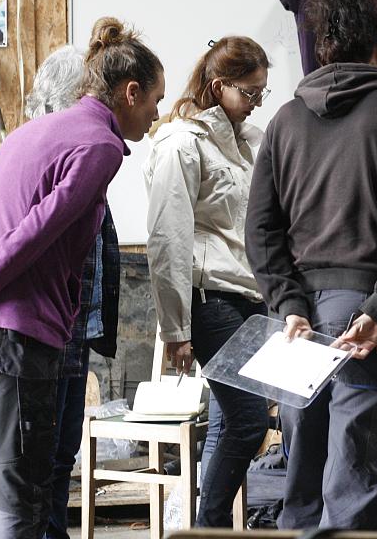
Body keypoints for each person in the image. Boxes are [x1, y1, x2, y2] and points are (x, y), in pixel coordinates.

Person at [0, 17, 163, 539]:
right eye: (154, 100)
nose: (156, 115)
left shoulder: (31, 131)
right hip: (14, 337)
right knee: (23, 497)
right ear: (129, 94)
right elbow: (35, 232)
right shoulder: (101, 147)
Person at [246, 0, 377, 530]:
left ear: (323, 49)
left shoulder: (284, 121)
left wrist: (288, 303)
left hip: (296, 327)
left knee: (301, 484)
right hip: (364, 318)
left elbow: (261, 228)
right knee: (351, 491)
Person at [144, 35, 271, 528]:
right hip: (208, 297)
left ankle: (209, 526)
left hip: (248, 295)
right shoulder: (181, 142)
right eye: (250, 92)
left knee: (226, 420)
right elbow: (167, 237)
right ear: (219, 86)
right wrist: (175, 329)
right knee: (247, 421)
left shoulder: (248, 142)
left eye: (263, 91)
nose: (257, 102)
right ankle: (209, 527)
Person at [24, 45, 122, 539]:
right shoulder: (47, 151)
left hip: (76, 327)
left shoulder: (88, 151)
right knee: (39, 457)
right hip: (46, 326)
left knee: (63, 453)